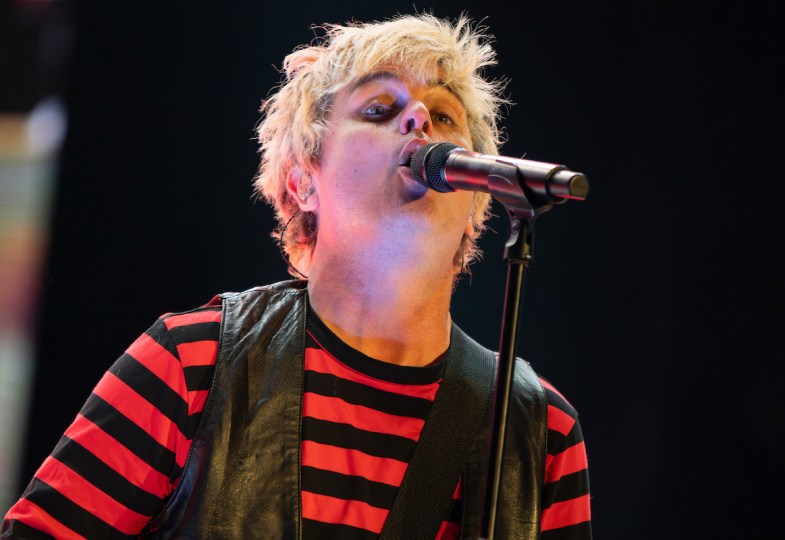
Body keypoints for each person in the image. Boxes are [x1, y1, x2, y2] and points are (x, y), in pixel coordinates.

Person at [2, 14, 591, 539]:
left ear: (479, 197)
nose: (419, 120)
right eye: (379, 110)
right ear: (304, 182)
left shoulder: (539, 430)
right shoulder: (192, 363)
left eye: (442, 116)